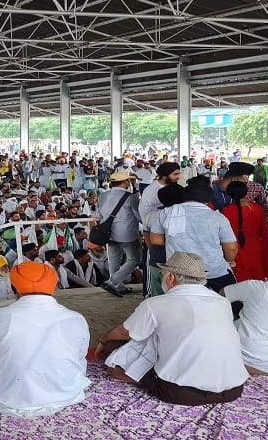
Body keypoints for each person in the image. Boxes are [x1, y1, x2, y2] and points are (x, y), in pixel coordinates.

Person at [97, 252, 248, 405]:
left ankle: (132, 375)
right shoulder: (222, 302)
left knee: (114, 349)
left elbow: (123, 333)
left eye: (162, 275)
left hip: (181, 392)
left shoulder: (156, 303)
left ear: (171, 278)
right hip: (234, 389)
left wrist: (103, 342)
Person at [0, 261, 90, 416]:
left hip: (10, 396)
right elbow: (79, 357)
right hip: (65, 391)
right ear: (53, 286)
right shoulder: (76, 318)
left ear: (14, 287)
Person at [149, 181, 239, 292]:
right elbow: (231, 248)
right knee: (230, 301)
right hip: (214, 270)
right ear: (208, 199)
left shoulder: (167, 213)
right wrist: (230, 260)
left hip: (180, 272)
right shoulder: (218, 217)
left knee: (183, 306)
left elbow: (156, 240)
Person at [95, 171, 141, 297]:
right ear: (125, 182)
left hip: (109, 233)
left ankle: (118, 286)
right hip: (127, 234)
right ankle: (112, 282)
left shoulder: (102, 196)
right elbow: (139, 215)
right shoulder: (131, 197)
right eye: (128, 181)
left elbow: (98, 216)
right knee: (134, 259)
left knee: (114, 261)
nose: (129, 183)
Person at [220, 181, 268, 282]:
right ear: (246, 193)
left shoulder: (226, 211)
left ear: (228, 193)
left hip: (235, 249)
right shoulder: (257, 209)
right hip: (255, 248)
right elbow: (264, 234)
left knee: (240, 282)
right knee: (256, 281)